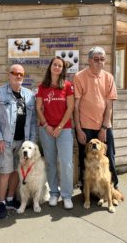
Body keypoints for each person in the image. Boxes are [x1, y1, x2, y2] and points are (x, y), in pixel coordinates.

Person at [0, 64, 37, 219]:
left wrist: (32, 143)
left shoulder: (29, 95)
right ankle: (1, 203)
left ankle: (11, 199)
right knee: (5, 172)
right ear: (8, 75)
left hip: (23, 142)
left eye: (21, 74)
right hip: (6, 141)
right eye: (15, 73)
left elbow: (32, 122)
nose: (18, 76)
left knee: (17, 171)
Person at [73, 46, 119, 191]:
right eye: (96, 59)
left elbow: (109, 105)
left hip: (104, 126)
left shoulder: (109, 77)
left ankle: (112, 187)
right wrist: (78, 129)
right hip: (85, 126)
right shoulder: (79, 77)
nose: (100, 62)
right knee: (85, 158)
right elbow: (75, 106)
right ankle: (86, 190)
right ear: (89, 60)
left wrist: (104, 128)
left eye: (102, 59)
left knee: (109, 157)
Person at [36, 57, 75, 209]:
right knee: (51, 162)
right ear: (50, 67)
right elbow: (39, 108)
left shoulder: (67, 85)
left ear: (62, 69)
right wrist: (46, 125)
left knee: (66, 163)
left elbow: (70, 108)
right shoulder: (42, 87)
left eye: (60, 65)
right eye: (55, 64)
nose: (57, 67)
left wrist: (59, 127)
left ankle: (66, 195)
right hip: (46, 129)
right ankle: (54, 193)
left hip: (64, 129)